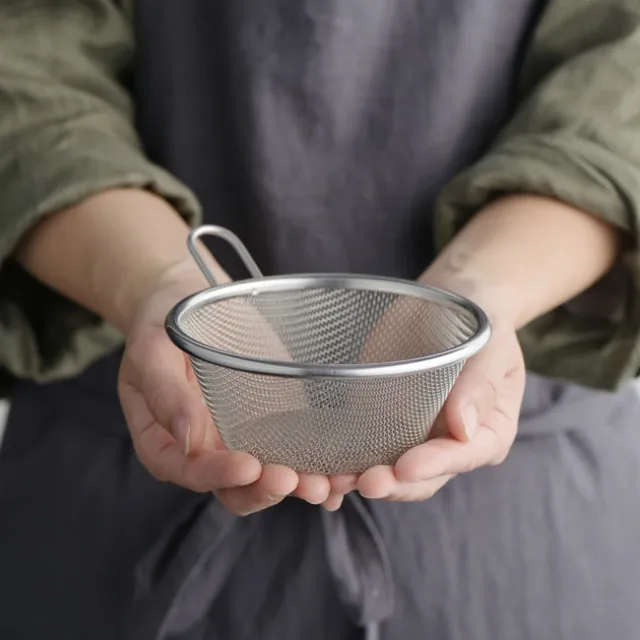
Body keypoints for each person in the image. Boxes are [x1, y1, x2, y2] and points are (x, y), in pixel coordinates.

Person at [1, 0, 640, 638]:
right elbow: (26, 74)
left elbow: (622, 87)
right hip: (121, 488)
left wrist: (479, 292)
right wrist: (161, 280)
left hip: (513, 538)